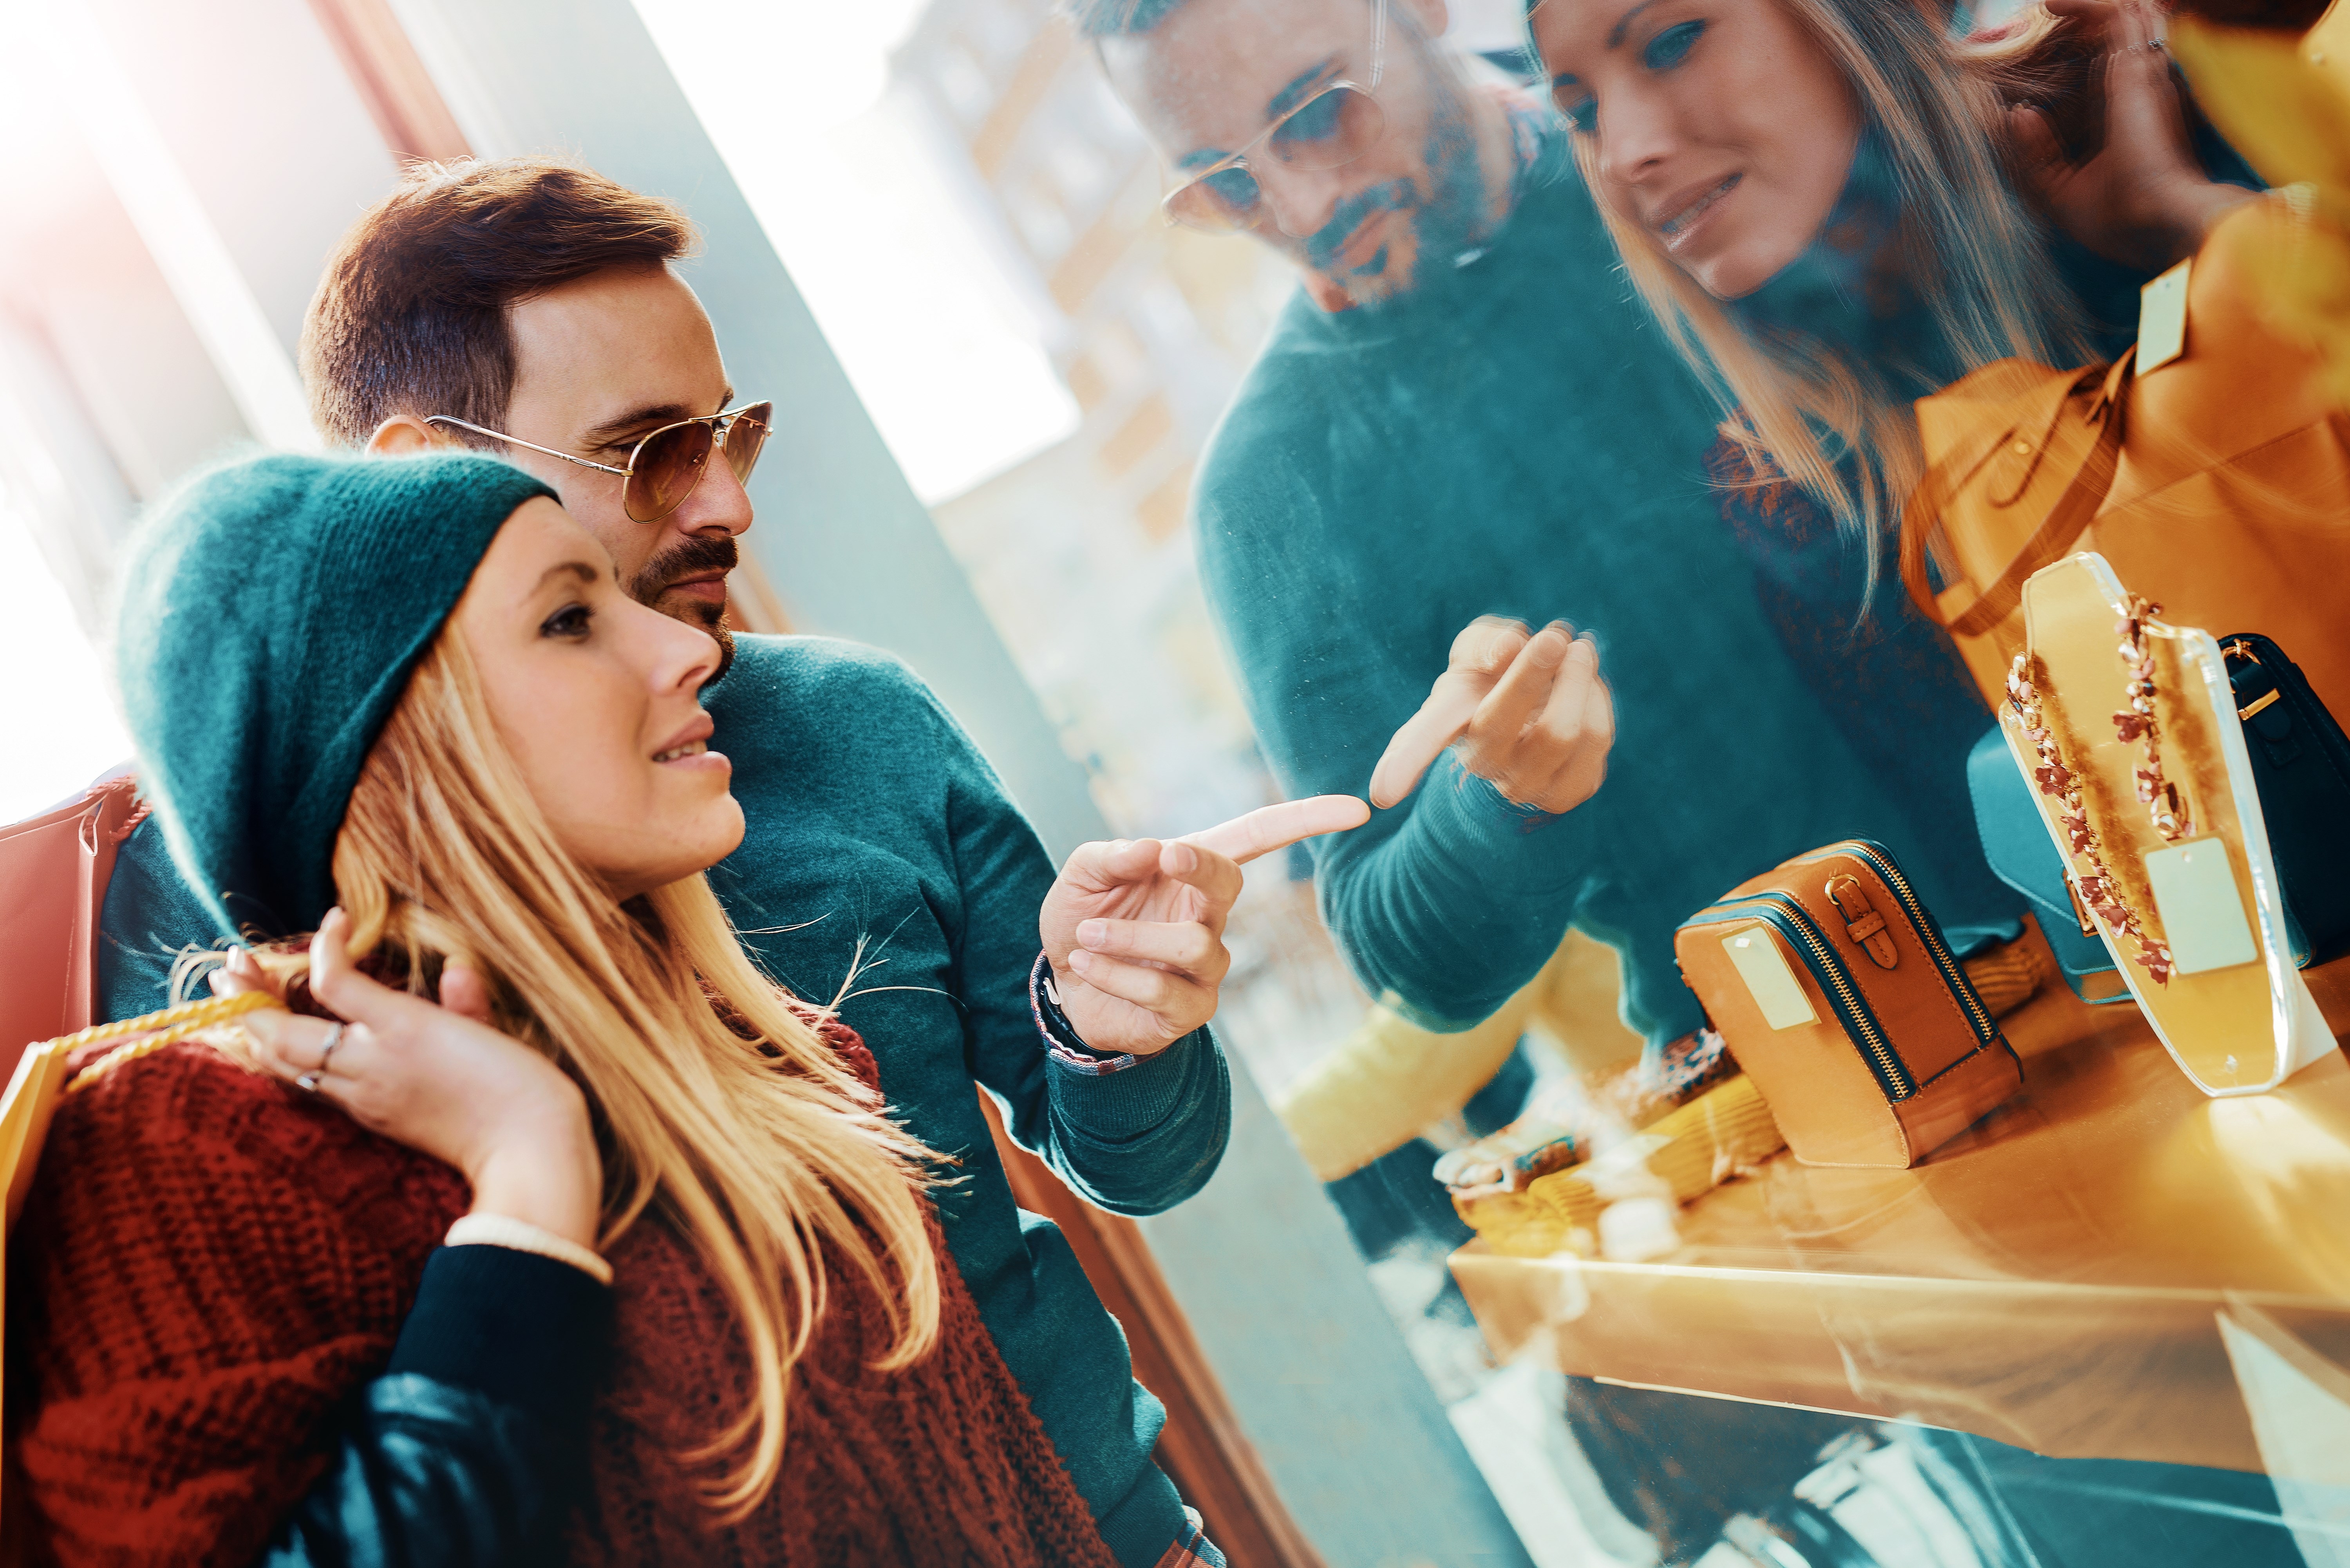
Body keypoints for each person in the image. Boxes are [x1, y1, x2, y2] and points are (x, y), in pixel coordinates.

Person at [83, 159, 1368, 1568]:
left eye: (727, 434)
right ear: (427, 481)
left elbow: (1137, 1164)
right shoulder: (218, 996)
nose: (726, 509)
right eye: (646, 453)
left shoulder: (852, 777)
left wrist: (1109, 1037)